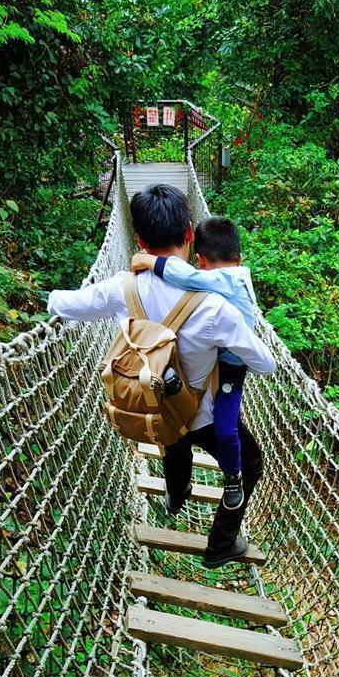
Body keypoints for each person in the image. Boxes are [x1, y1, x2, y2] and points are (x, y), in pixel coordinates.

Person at [47, 184, 276, 569]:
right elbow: (266, 363)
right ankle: (221, 545)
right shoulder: (217, 305)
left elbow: (67, 305)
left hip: (153, 408)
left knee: (171, 436)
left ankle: (176, 493)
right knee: (249, 463)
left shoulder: (121, 287)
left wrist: (46, 299)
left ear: (138, 240)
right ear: (190, 233)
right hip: (203, 414)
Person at [130, 216, 255, 512]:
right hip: (214, 362)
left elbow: (187, 278)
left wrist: (148, 262)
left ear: (199, 260)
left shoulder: (221, 278)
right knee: (180, 423)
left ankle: (231, 478)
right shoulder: (238, 274)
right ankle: (177, 492)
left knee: (221, 428)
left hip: (230, 369)